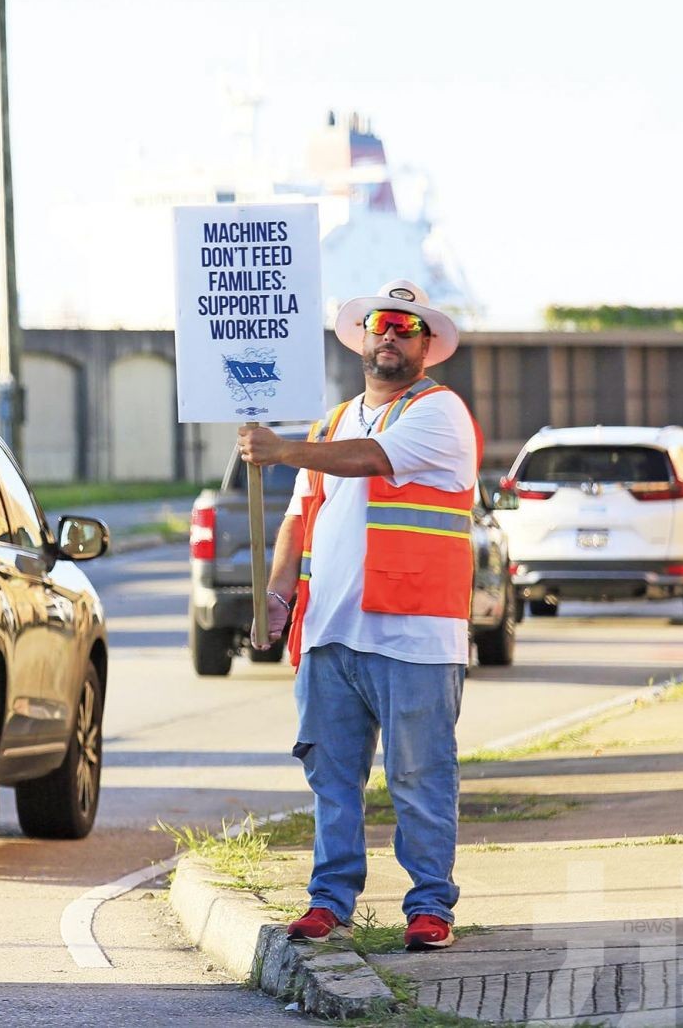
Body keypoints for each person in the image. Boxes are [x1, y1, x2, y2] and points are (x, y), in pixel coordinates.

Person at [237, 278, 480, 952]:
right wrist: (278, 598)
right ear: (364, 336)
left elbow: (371, 461)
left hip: (415, 634)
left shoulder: (438, 413)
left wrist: (280, 448)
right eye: (384, 324)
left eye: (409, 328)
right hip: (330, 633)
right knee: (331, 778)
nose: (394, 336)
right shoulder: (332, 421)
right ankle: (329, 901)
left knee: (419, 775)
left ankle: (430, 906)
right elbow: (297, 519)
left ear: (426, 345)